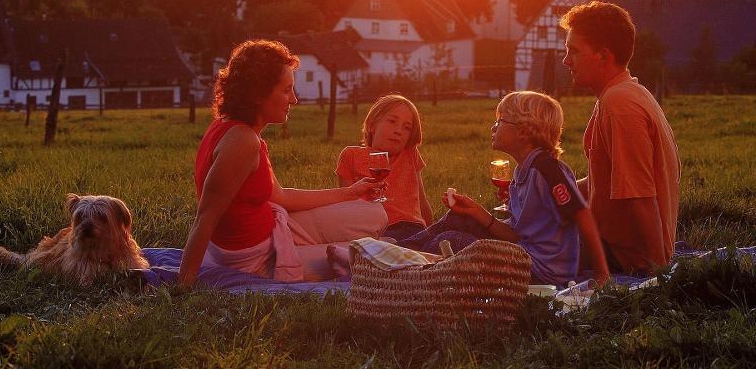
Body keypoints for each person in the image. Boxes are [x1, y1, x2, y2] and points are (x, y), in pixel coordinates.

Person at [330, 92, 610, 287]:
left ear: (523, 132)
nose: (493, 126)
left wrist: (601, 273)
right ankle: (380, 257)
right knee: (458, 220)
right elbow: (514, 234)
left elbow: (581, 215)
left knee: (453, 240)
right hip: (525, 256)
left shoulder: (548, 170)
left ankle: (388, 268)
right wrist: (478, 213)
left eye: (500, 121)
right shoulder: (523, 172)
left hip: (543, 273)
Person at [177, 40, 387, 286]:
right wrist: (183, 284)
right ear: (258, 94)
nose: (294, 100)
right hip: (256, 258)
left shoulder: (238, 131)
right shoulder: (241, 142)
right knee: (378, 252)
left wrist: (351, 192)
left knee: (375, 214)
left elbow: (281, 197)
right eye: (286, 90)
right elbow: (206, 216)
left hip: (273, 226)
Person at [560, 0, 681, 276]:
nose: (566, 60)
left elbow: (639, 195)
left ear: (603, 55)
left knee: (502, 245)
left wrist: (659, 273)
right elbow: (604, 182)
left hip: (619, 254)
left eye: (574, 51)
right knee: (513, 224)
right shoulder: (623, 93)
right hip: (609, 243)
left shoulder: (620, 104)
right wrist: (544, 192)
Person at [336, 95, 433, 241]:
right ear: (372, 125)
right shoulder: (351, 155)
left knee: (458, 225)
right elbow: (346, 206)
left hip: (416, 230)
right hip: (381, 233)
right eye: (392, 121)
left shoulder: (409, 153)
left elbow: (422, 201)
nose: (398, 131)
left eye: (407, 128)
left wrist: (432, 231)